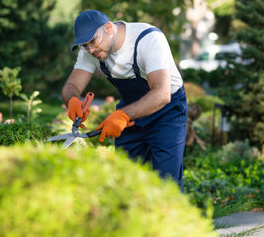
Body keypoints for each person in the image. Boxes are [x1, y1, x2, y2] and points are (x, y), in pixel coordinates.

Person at [61, 10, 188, 191]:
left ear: (108, 28)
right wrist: (72, 100)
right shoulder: (91, 51)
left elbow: (162, 94)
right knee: (125, 181)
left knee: (167, 184)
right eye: (84, 45)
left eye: (93, 41)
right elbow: (72, 84)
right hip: (132, 110)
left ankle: (174, 219)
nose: (90, 49)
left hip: (167, 112)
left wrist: (122, 115)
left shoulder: (148, 40)